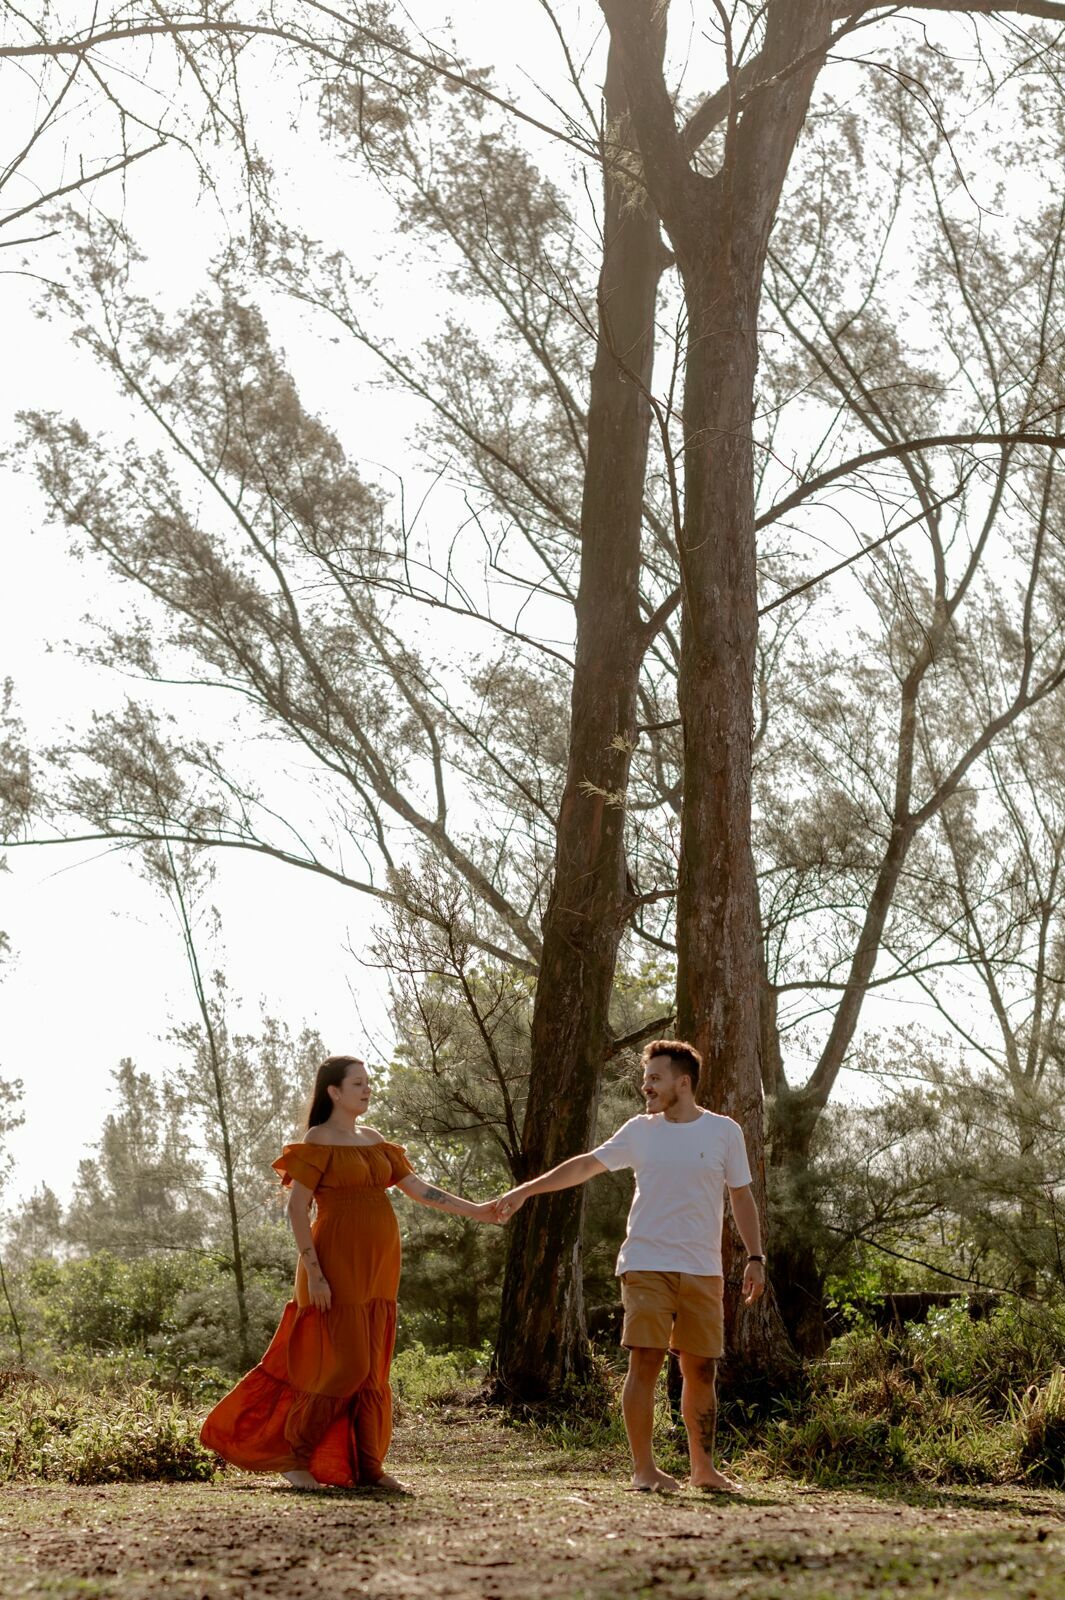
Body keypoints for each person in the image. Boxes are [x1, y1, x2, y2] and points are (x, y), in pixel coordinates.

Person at [201, 1054, 500, 1492]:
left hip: (378, 1270)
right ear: (334, 1092)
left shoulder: (375, 1139)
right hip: (332, 1266)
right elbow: (296, 1208)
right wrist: (314, 1271)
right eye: (358, 1083)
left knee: (371, 1371)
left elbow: (418, 1189)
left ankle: (369, 1469)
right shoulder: (319, 1138)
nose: (367, 1089)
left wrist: (478, 1211)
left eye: (368, 1082)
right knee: (347, 1366)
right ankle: (296, 1456)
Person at [494, 1039, 766, 1494]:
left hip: (703, 1269)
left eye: (655, 1078)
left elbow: (741, 1195)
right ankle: (644, 1469)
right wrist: (526, 1190)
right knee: (646, 1361)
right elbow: (585, 1166)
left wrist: (755, 1258)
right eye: (646, 1078)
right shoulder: (640, 1131)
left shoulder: (725, 1132)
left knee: (702, 1370)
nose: (646, 1086)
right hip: (645, 1262)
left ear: (683, 1082)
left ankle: (704, 1469)